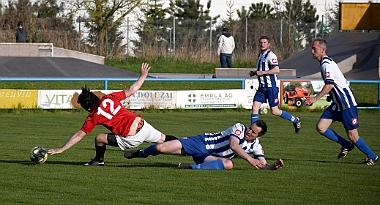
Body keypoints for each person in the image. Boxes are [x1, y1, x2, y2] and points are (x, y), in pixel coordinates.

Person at [47, 63, 177, 166]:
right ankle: (187, 146)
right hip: (142, 125)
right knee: (164, 139)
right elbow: (132, 90)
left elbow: (78, 136)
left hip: (132, 137)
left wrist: (62, 149)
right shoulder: (109, 98)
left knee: (99, 138)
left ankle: (99, 160)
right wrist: (143, 75)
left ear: (87, 107)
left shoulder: (93, 117)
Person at [304, 38, 378, 165]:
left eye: (314, 49)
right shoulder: (324, 63)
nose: (312, 51)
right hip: (337, 104)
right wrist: (331, 97)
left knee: (353, 135)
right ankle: (346, 145)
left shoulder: (326, 64)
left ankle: (372, 156)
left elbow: (329, 85)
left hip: (346, 103)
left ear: (322, 50)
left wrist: (314, 99)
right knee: (321, 127)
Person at [124, 120, 284, 170]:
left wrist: (272, 166)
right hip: (200, 142)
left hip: (209, 157)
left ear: (259, 137)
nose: (249, 132)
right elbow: (234, 145)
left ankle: (190, 167)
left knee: (229, 164)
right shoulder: (239, 128)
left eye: (253, 132)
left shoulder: (256, 146)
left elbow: (261, 164)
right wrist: (251, 160)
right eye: (250, 128)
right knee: (160, 148)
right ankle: (141, 153)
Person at [249, 36, 301, 133]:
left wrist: (262, 73)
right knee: (255, 107)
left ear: (268, 44)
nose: (262, 44)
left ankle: (295, 120)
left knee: (275, 111)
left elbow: (276, 70)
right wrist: (255, 72)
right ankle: (254, 131)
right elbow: (262, 70)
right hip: (262, 87)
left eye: (264, 42)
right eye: (261, 42)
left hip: (271, 87)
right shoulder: (260, 55)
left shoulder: (271, 55)